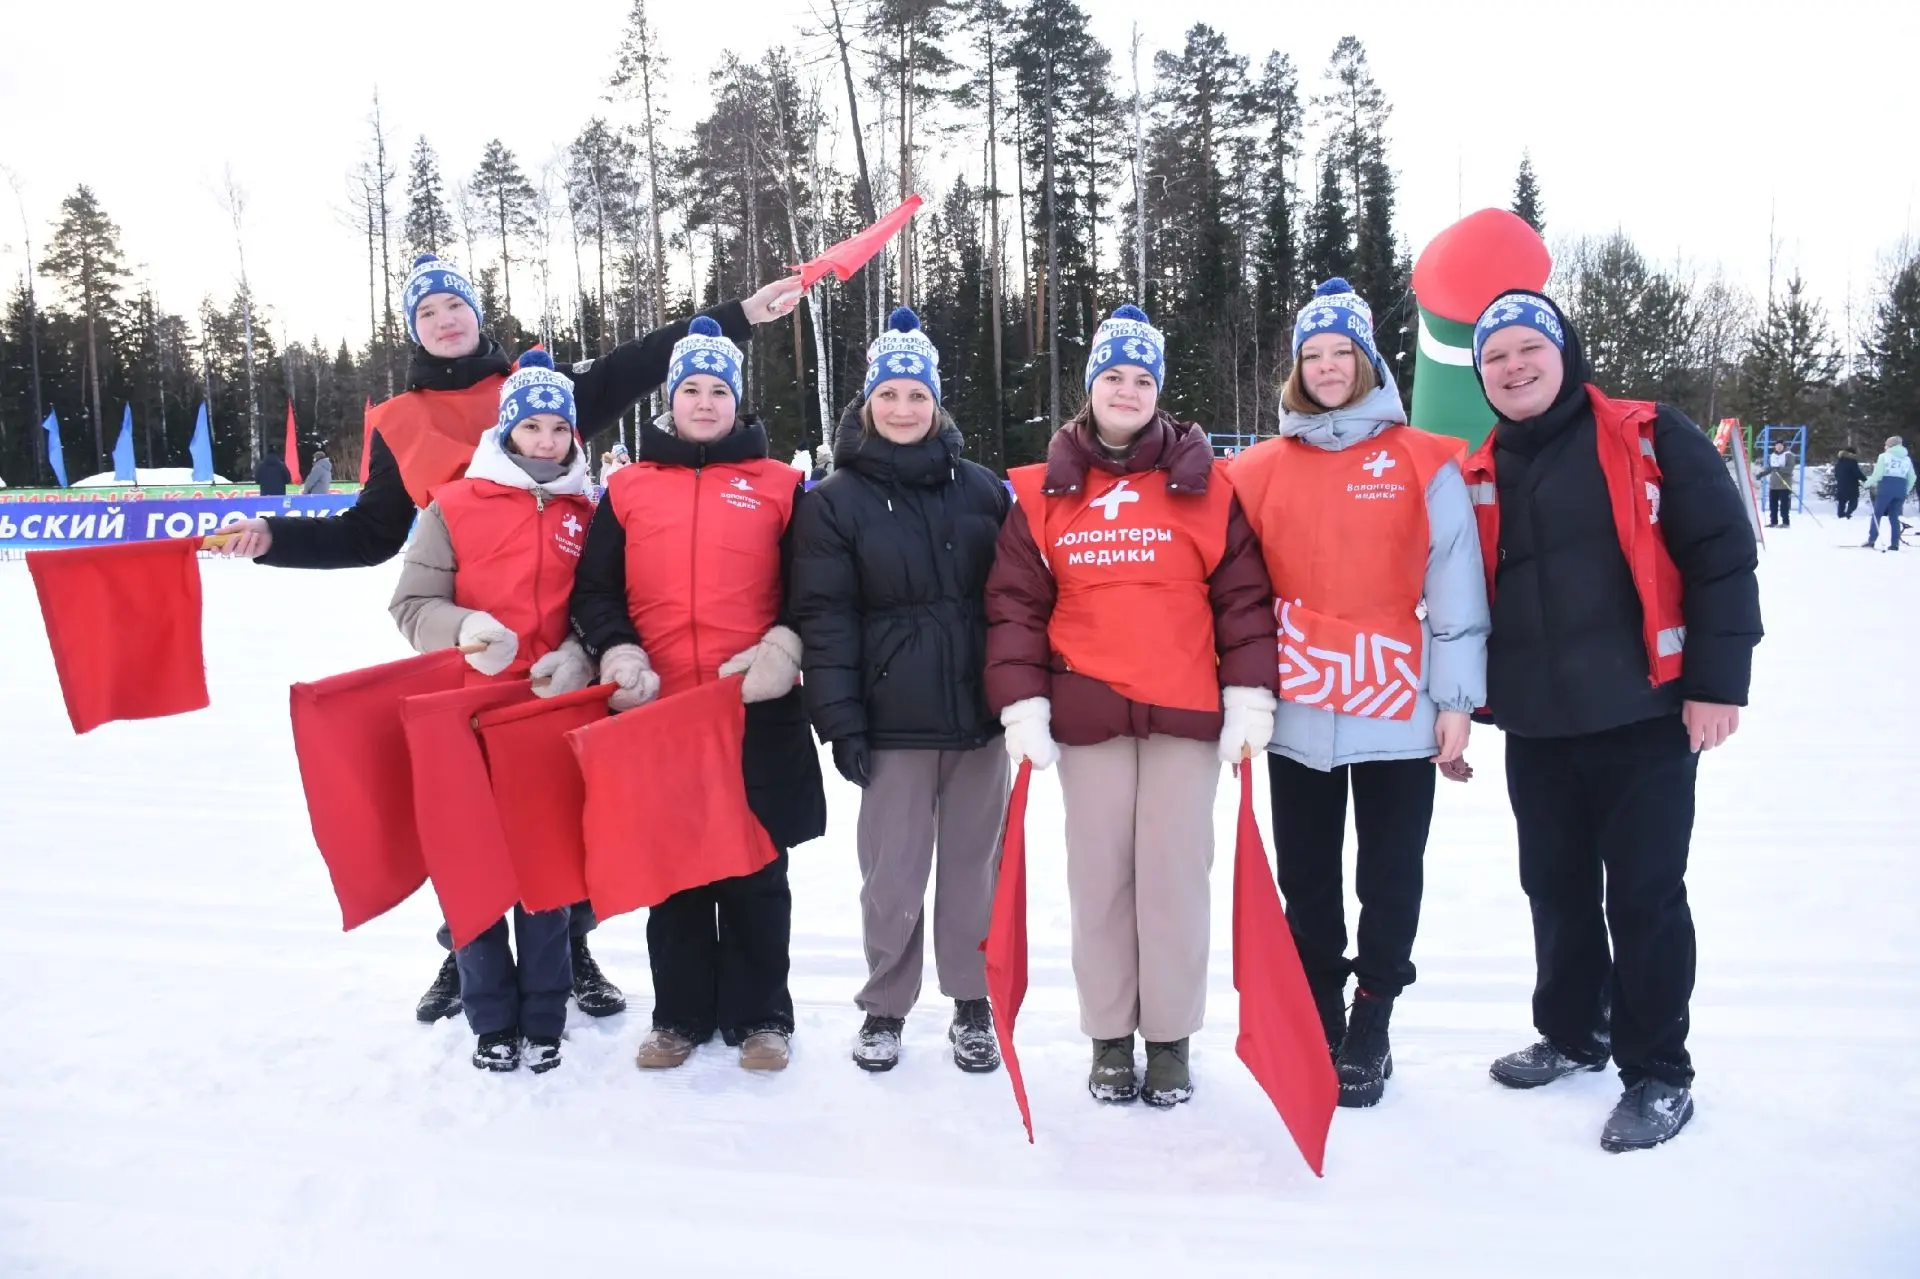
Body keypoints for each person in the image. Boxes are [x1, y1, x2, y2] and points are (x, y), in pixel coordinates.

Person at [209, 252, 802, 1026]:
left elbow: (640, 363)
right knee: (468, 816)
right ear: (413, 329)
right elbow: (369, 533)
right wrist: (274, 535)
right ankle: (465, 948)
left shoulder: (539, 389)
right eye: (427, 312)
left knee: (559, 816)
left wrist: (740, 315)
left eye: (455, 305)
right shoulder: (399, 422)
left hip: (565, 655)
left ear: (477, 313)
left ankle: (571, 945)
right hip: (471, 651)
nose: (445, 320)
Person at [1463, 289, 1761, 1152]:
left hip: (1644, 716)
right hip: (1537, 724)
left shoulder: (1648, 432)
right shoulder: (1479, 466)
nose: (1513, 367)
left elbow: (1721, 555)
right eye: (1495, 357)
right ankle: (1573, 1031)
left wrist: (1718, 682)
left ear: (1564, 351)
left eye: (1529, 348)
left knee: (1643, 895)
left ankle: (1659, 1069)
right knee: (1554, 889)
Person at [984, 304, 1276, 1109]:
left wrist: (1249, 692)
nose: (1127, 389)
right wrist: (1023, 703)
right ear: (1090, 386)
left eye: (1142, 378)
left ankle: (1171, 1038)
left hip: (1184, 712)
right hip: (1089, 711)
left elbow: (1243, 598)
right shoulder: (1042, 491)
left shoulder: (1209, 484)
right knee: (1100, 878)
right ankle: (1110, 1036)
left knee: (1175, 879)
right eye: (1112, 375)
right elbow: (1015, 606)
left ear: (1159, 391)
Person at [1227, 279, 1490, 1108]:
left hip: (1398, 707)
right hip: (1299, 710)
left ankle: (1372, 1015)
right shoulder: (1258, 470)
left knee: (1390, 871)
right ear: (1297, 368)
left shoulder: (1423, 459)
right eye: (1314, 354)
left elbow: (1456, 585)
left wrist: (1457, 701)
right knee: (1306, 876)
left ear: (1369, 359)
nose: (1329, 366)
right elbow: (1229, 589)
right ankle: (1319, 1009)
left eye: (1343, 351)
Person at [569, 316, 827, 1073]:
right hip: (658, 709)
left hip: (751, 705)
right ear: (670, 401)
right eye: (691, 389)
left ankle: (761, 1017)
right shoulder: (627, 488)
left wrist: (782, 648)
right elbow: (594, 590)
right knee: (673, 867)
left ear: (737, 400)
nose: (705, 401)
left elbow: (813, 590)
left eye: (719, 389)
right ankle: (679, 1015)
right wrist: (617, 649)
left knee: (755, 866)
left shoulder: (781, 485)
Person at [789, 308, 1013, 1074]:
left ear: (937, 402)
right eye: (890, 394)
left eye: (918, 394)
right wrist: (842, 721)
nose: (904, 408)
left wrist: (1019, 696)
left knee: (974, 872)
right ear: (868, 402)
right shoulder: (834, 501)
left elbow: (1015, 602)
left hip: (978, 721)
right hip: (892, 725)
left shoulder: (982, 491)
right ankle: (885, 1004)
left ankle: (972, 1001)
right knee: (893, 878)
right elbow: (825, 618)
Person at [387, 350, 596, 1073]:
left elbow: (607, 604)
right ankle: (490, 1021)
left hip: (550, 714)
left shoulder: (589, 512)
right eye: (531, 426)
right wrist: (465, 629)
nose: (546, 441)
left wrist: (579, 651)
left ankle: (544, 1016)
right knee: (474, 870)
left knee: (546, 874)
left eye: (558, 429)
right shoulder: (452, 505)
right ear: (506, 431)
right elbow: (412, 605)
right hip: (466, 714)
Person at [1863, 435, 1913, 551]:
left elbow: (1878, 474)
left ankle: (1871, 540)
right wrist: (1906, 490)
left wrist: (1867, 483)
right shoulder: (1907, 459)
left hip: (1886, 488)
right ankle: (1895, 544)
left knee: (1877, 514)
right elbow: (1912, 477)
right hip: (1901, 489)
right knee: (1894, 516)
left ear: (1889, 445)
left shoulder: (1884, 456)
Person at [1763, 440, 1795, 528]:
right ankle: (1773, 522)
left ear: (1784, 446)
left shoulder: (1788, 455)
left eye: (1780, 445)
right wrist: (1762, 474)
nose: (1778, 447)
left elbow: (1789, 469)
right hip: (1773, 485)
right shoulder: (1773, 456)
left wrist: (1779, 469)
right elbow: (1770, 468)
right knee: (1773, 505)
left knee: (1784, 505)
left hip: (1784, 485)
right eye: (1777, 446)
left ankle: (1785, 522)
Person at [1832, 446, 1865, 519]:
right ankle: (1848, 513)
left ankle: (1840, 514)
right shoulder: (1852, 462)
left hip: (1841, 485)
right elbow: (1857, 473)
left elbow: (1836, 474)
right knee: (1854, 501)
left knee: (1842, 501)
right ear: (1852, 454)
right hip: (1851, 485)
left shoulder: (1839, 462)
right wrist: (1865, 479)